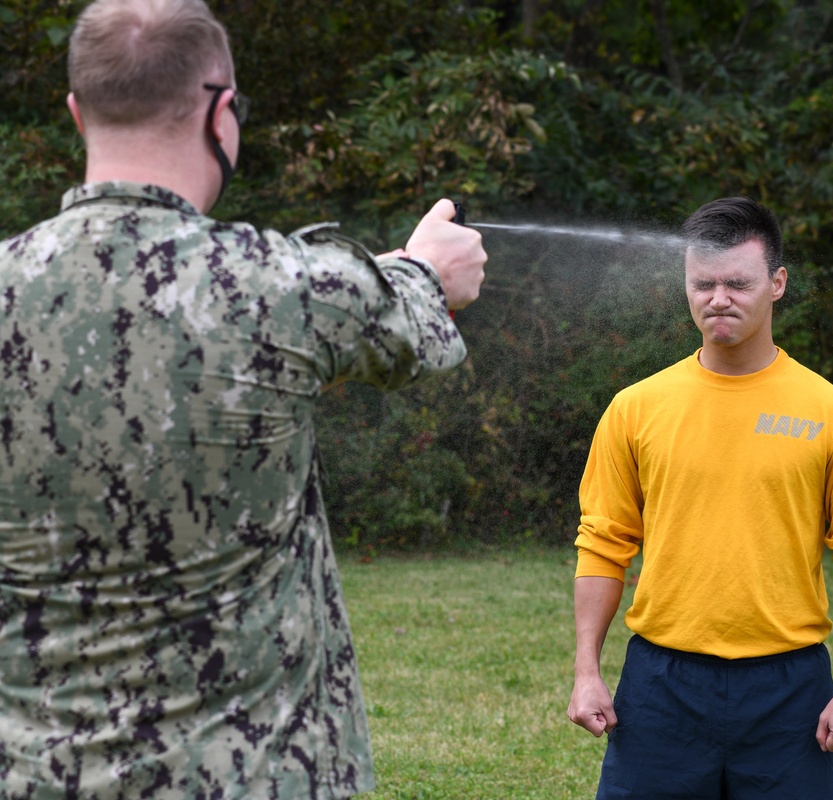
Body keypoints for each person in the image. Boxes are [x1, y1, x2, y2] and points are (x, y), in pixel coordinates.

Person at [0, 0, 485, 798]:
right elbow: (411, 319)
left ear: (77, 113)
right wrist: (425, 267)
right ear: (223, 113)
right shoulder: (280, 286)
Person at [567, 196, 833, 799]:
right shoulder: (636, 409)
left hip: (789, 689)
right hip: (661, 684)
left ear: (777, 283)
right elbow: (604, 543)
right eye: (704, 283)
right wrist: (587, 671)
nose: (719, 298)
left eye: (738, 283)